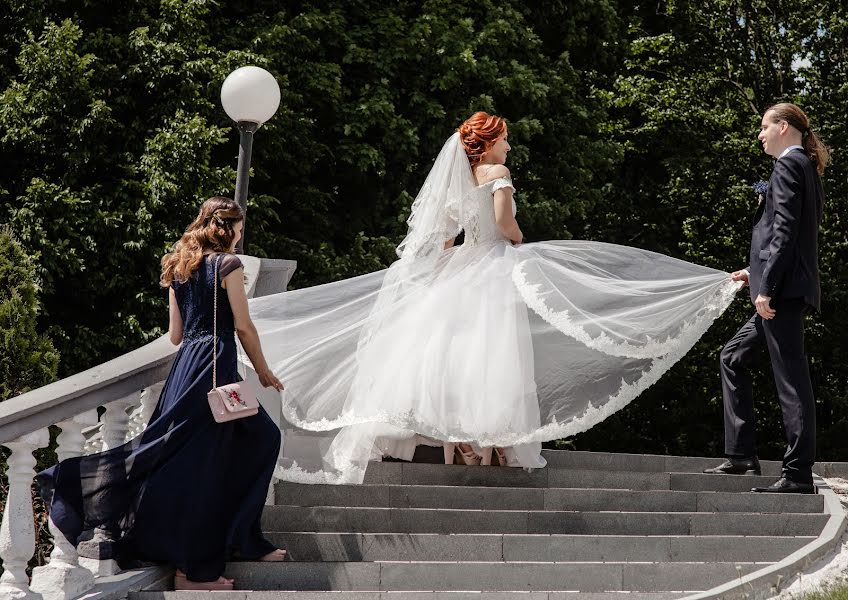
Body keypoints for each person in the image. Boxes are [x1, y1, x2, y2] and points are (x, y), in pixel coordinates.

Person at [250, 111, 743, 485]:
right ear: (488, 145)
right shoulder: (497, 176)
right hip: (491, 268)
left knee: (455, 355)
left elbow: (442, 238)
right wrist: (519, 237)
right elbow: (505, 223)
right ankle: (495, 443)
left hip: (462, 269)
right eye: (505, 138)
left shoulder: (459, 185)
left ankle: (464, 438)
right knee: (498, 356)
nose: (510, 145)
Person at [37, 197, 286, 591]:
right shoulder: (229, 265)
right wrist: (265, 371)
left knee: (193, 456)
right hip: (216, 370)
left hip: (189, 366)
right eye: (239, 227)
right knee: (246, 446)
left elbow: (175, 335)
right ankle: (197, 568)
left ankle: (238, 541)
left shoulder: (178, 266)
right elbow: (243, 327)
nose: (240, 234)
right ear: (229, 228)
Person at [704, 104, 828, 494]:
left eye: (764, 126)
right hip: (781, 285)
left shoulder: (790, 166)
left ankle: (797, 475)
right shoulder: (800, 167)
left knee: (791, 381)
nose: (759, 134)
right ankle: (741, 456)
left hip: (782, 293)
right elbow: (782, 234)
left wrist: (766, 288)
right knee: (732, 356)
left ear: (783, 127)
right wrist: (752, 272)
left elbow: (786, 232)